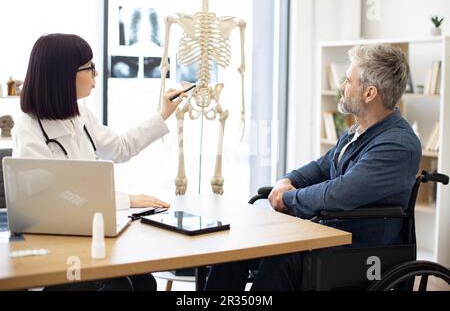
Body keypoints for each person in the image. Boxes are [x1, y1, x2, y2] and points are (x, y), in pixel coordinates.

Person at [205, 44, 422, 291]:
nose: (342, 87)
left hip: (359, 251)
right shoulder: (358, 132)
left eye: (348, 81)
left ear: (369, 93)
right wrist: (286, 181)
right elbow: (320, 168)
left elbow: (340, 193)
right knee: (238, 244)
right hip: (329, 233)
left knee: (282, 255)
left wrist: (288, 198)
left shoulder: (397, 145)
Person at [13, 33, 186, 290]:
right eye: (90, 67)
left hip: (85, 240)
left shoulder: (80, 112)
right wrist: (126, 199)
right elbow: (52, 202)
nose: (96, 74)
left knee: (144, 282)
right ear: (63, 74)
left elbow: (120, 148)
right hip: (52, 253)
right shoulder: (29, 129)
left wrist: (162, 114)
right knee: (120, 288)